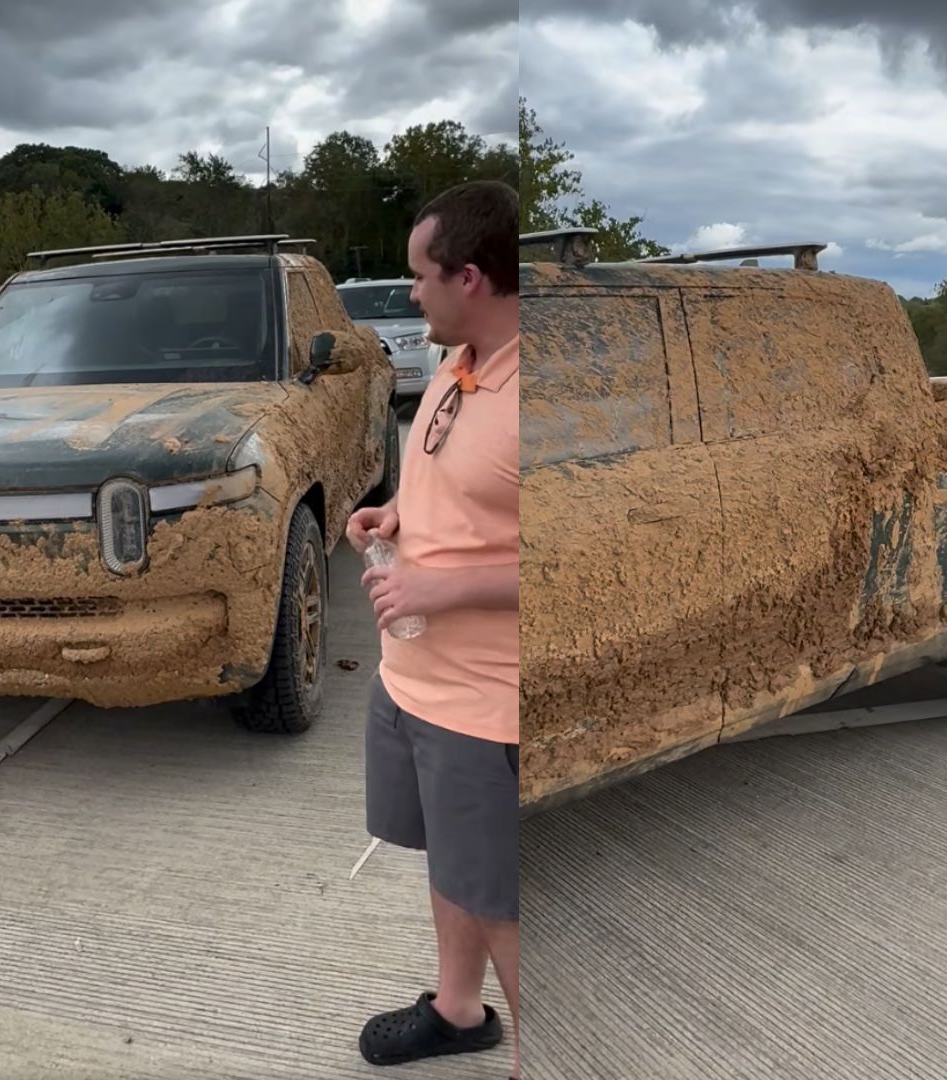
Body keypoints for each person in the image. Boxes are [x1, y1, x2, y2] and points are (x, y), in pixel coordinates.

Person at [345, 180, 520, 1070]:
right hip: (410, 681)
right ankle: (459, 1012)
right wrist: (396, 518)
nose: (410, 293)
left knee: (502, 900)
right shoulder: (457, 368)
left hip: (487, 704)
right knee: (454, 870)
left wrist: (439, 594)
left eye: (421, 276)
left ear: (473, 278)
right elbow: (458, 496)